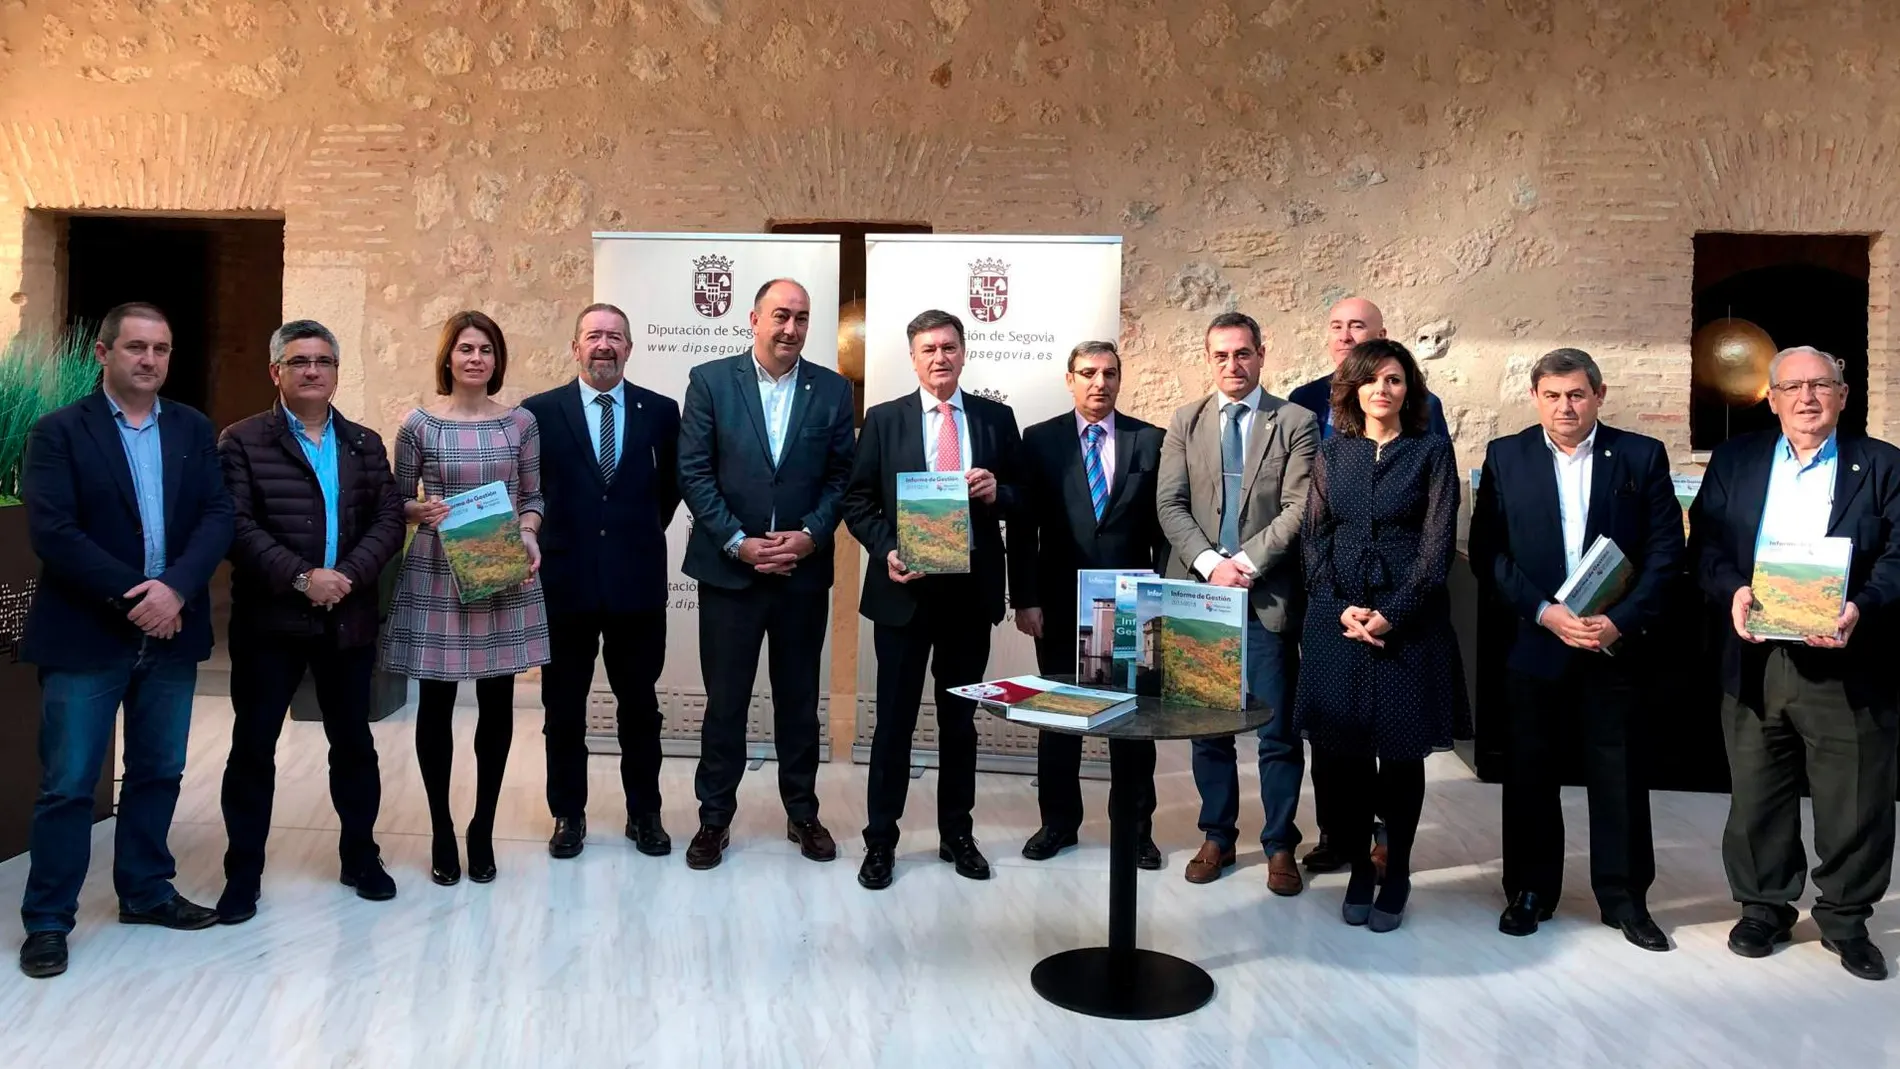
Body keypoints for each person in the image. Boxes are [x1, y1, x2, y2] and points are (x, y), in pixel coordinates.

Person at [16, 302, 235, 979]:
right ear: (104, 354)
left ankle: (144, 890)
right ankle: (49, 919)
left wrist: (175, 587)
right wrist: (141, 596)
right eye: (136, 347)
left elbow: (217, 514)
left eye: (161, 348)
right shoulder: (58, 432)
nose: (150, 360)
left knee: (159, 770)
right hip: (86, 632)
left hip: (171, 634)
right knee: (69, 783)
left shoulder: (194, 429)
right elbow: (54, 532)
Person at [1692, 345, 1900, 982]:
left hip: (1846, 656)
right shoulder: (1736, 460)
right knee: (1758, 788)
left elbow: (1898, 555)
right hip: (1756, 654)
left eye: (1821, 385)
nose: (1807, 398)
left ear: (1842, 394)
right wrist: (1731, 590)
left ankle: (1846, 918)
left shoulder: (1884, 466)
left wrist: (1861, 605)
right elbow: (1705, 545)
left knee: (1856, 795)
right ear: (1772, 397)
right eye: (1793, 387)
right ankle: (1764, 907)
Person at [1468, 348, 1682, 952]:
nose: (1566, 407)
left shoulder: (1640, 455)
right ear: (1536, 398)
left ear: (1599, 395)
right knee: (1530, 771)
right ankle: (1531, 891)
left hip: (1612, 645)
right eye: (1553, 395)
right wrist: (1545, 612)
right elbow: (1489, 553)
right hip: (1537, 642)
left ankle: (1625, 899)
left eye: (1577, 394)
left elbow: (1667, 553)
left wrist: (1619, 621)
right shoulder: (1506, 457)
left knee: (1618, 772)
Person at [214, 319, 407, 923]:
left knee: (353, 743)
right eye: (299, 361)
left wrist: (345, 576)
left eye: (323, 361)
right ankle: (242, 873)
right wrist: (303, 577)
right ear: (276, 372)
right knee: (253, 748)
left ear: (336, 372)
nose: (312, 371)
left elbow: (390, 518)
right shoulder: (241, 441)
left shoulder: (364, 443)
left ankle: (361, 856)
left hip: (346, 619)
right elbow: (234, 526)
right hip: (270, 621)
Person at [676, 279, 855, 869]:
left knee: (799, 702)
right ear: (753, 318)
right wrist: (738, 542)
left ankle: (802, 813)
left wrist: (809, 535)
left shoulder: (830, 390)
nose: (791, 329)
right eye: (781, 316)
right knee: (725, 702)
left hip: (801, 575)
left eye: (802, 319)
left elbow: (841, 479)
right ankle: (713, 820)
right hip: (731, 575)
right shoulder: (710, 382)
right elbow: (694, 472)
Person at [1292, 338, 1465, 932]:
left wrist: (1392, 613)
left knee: (1399, 753)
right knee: (1343, 755)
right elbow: (1314, 538)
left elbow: (1436, 547)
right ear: (1352, 391)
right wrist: (1341, 608)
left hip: (1407, 623)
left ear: (1408, 390)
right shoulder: (1333, 454)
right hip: (1336, 620)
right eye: (1371, 381)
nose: (1382, 390)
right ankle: (1361, 869)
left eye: (1394, 380)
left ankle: (1398, 870)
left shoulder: (1431, 452)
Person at [844, 308, 1020, 891]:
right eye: (928, 350)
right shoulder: (885, 420)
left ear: (964, 351)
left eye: (948, 347)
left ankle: (957, 834)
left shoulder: (997, 419)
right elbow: (857, 501)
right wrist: (888, 549)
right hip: (904, 596)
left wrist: (999, 491)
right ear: (913, 358)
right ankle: (881, 840)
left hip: (969, 598)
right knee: (892, 724)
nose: (939, 358)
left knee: (959, 724)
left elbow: (1023, 499)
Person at [381, 311, 550, 886]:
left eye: (486, 349)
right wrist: (416, 509)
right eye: (465, 348)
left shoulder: (520, 424)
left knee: (497, 705)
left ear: (497, 361)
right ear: (448, 358)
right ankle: (440, 829)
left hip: (498, 565)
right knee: (435, 705)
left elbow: (534, 496)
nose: (475, 358)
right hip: (436, 569)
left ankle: (482, 827)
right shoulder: (418, 426)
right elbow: (395, 500)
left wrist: (527, 533)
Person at [1156, 311, 1316, 893]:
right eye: (1221, 356)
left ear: (1262, 354)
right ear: (1209, 359)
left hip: (1264, 596)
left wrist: (1243, 564)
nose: (1232, 365)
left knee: (1276, 731)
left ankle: (1279, 844)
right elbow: (1169, 504)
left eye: (1242, 353)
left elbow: (1300, 508)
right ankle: (1217, 835)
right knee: (1207, 728)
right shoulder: (1185, 421)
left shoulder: (1296, 420)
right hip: (1202, 597)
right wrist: (1210, 565)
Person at [521, 304, 681, 862]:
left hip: (637, 586)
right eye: (594, 336)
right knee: (563, 708)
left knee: (640, 708)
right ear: (575, 347)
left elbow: (669, 491)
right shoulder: (538, 413)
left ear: (630, 348)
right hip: (565, 585)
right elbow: (530, 489)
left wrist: (630, 535)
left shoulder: (660, 411)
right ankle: (568, 813)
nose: (604, 345)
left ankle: (646, 814)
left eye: (615, 336)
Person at [1007, 340, 1166, 868]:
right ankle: (1057, 824)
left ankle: (1136, 830)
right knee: (1061, 720)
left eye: (1109, 373)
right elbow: (1022, 529)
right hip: (1057, 602)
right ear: (1070, 379)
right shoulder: (1039, 440)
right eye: (1088, 373)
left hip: (1128, 606)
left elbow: (1165, 529)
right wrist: (1025, 599)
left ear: (1121, 379)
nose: (1100, 383)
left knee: (1131, 726)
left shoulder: (1151, 440)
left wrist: (1159, 601)